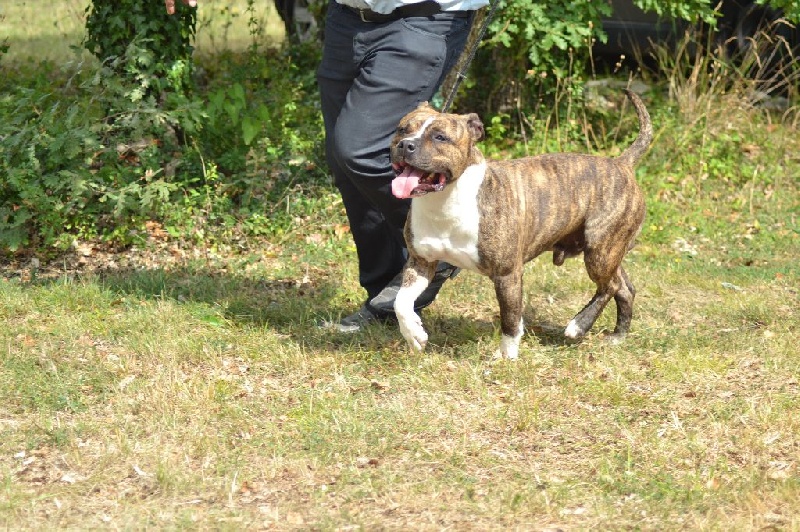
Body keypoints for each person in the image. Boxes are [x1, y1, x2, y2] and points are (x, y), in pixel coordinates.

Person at [166, 0, 487, 332]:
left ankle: (439, 244)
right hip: (347, 20)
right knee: (343, 161)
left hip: (422, 17)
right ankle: (386, 300)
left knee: (359, 151)